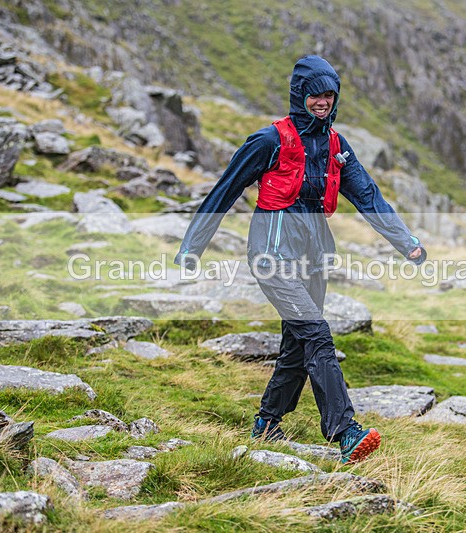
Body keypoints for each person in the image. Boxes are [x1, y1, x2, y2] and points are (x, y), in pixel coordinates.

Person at [175, 55, 425, 464]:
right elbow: (224, 192)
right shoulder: (268, 141)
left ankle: (266, 424)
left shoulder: (337, 147)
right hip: (272, 253)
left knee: (297, 343)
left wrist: (406, 242)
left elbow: (369, 197)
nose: (322, 101)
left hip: (314, 254)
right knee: (317, 333)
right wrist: (191, 247)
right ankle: (345, 432)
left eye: (328, 94)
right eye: (315, 94)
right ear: (299, 95)